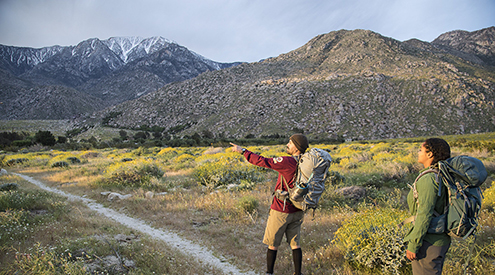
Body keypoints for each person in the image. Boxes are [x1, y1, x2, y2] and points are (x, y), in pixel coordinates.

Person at [230, 133, 309, 275]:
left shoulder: (287, 161)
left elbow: (262, 161)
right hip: (298, 209)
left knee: (273, 244)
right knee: (295, 244)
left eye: (290, 143)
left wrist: (243, 151)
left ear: (297, 147)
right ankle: (298, 273)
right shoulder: (308, 163)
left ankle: (269, 272)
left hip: (281, 209)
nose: (287, 145)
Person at [404, 138, 452, 274]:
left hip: (429, 243)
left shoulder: (429, 179)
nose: (418, 153)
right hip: (439, 239)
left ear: (430, 154)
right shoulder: (442, 174)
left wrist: (414, 244)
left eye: (421, 150)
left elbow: (424, 215)